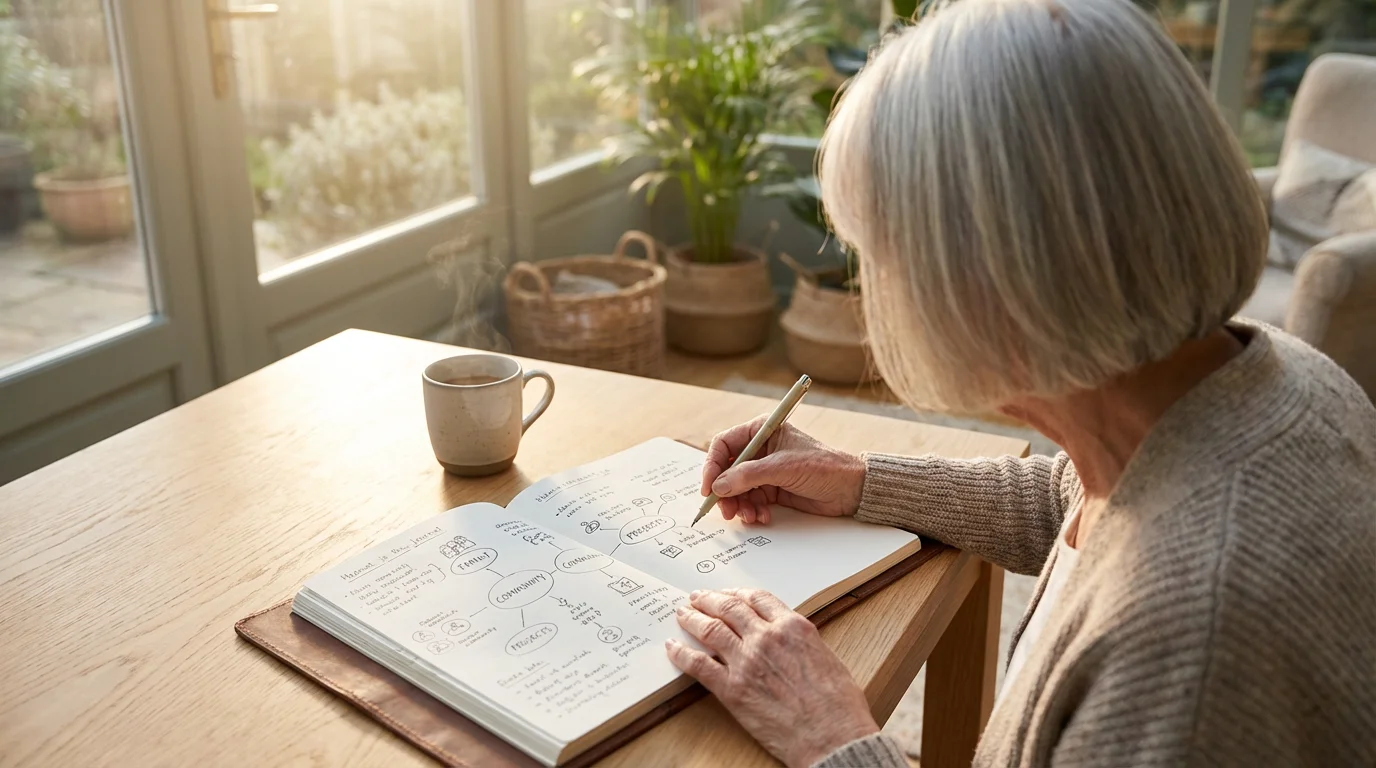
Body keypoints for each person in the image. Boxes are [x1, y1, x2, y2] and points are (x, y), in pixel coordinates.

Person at [660, 0, 1376, 765]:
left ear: (989, 286)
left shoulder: (1186, 650)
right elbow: (1079, 504)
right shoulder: (1272, 376)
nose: (872, 293)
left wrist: (833, 737)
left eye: (875, 256)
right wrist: (857, 479)